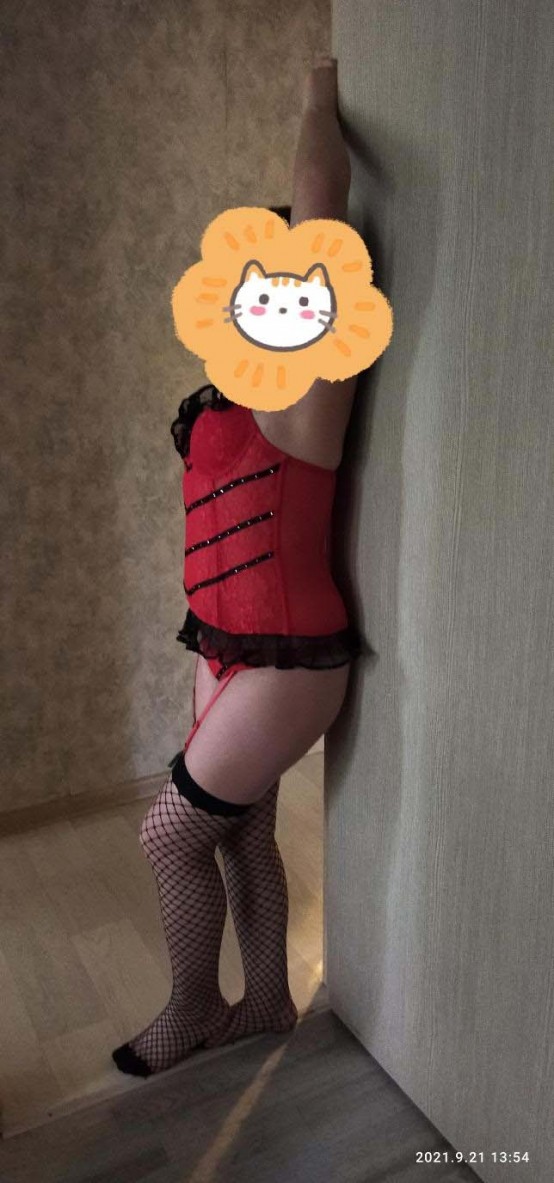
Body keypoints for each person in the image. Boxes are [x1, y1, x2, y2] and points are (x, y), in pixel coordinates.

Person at [113, 53, 372, 1079]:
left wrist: (317, 91)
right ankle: (264, 1003)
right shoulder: (228, 395)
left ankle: (192, 1009)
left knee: (167, 835)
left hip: (289, 658)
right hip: (221, 644)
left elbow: (318, 204)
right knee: (236, 834)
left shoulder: (309, 393)